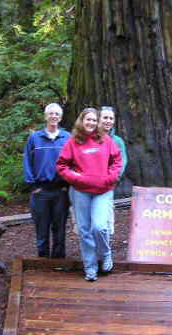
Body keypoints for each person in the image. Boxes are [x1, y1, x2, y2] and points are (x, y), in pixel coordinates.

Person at [57, 107, 122, 281]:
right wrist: (75, 177)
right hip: (80, 192)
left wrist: (110, 177)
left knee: (99, 227)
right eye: (88, 119)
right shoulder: (73, 142)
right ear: (81, 121)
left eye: (94, 120)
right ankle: (90, 267)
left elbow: (117, 161)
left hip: (103, 190)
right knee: (85, 231)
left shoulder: (106, 140)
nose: (91, 123)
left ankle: (105, 254)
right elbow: (62, 165)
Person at [23, 103, 71, 258]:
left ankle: (58, 262)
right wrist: (33, 186)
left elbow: (73, 162)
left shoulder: (67, 138)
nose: (54, 116)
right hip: (40, 191)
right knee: (41, 229)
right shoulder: (34, 138)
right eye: (51, 113)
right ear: (45, 116)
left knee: (60, 229)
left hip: (61, 191)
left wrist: (67, 185)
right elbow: (27, 161)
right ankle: (42, 261)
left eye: (57, 114)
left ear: (61, 117)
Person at [99, 106, 128, 236]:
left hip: (108, 185)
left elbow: (122, 161)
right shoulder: (90, 138)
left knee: (106, 215)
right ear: (99, 119)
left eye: (111, 118)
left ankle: (106, 245)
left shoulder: (117, 141)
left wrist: (114, 178)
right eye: (105, 117)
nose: (108, 121)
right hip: (89, 184)